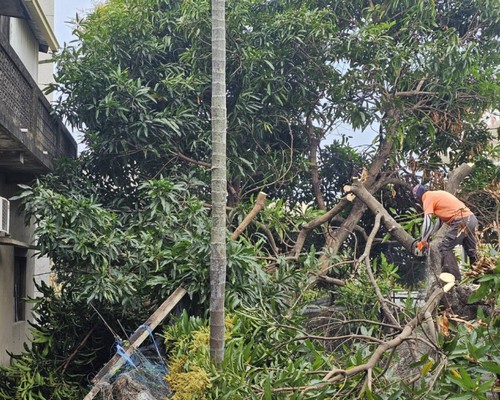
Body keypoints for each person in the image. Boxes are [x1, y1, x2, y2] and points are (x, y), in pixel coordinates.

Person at [412, 184, 478, 280]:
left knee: (445, 247)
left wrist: (423, 241)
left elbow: (428, 222)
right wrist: (430, 235)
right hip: (471, 219)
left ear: (418, 197)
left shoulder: (427, 198)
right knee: (472, 251)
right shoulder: (437, 195)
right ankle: (479, 278)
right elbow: (438, 222)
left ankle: (453, 280)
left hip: (461, 221)